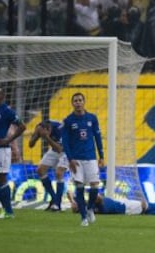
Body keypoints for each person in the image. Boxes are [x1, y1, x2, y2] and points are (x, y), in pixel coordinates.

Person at [61, 92, 104, 227]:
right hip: (76, 160)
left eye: (80, 100)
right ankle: (83, 217)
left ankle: (90, 208)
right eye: (75, 101)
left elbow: (97, 137)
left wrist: (101, 155)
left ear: (84, 102)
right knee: (79, 187)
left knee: (95, 185)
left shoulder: (92, 118)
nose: (78, 103)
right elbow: (66, 143)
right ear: (72, 103)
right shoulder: (68, 121)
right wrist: (70, 159)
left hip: (91, 158)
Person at [0, 87, 26, 219]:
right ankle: (5, 207)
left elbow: (22, 126)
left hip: (2, 149)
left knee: (1, 178)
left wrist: (8, 139)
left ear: (2, 97)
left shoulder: (7, 111)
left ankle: (8, 211)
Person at [29, 120, 67, 211]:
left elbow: (59, 149)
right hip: (54, 149)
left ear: (49, 129)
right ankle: (54, 199)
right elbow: (30, 144)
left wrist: (46, 137)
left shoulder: (59, 129)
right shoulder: (40, 127)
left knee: (59, 173)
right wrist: (36, 135)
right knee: (40, 170)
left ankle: (57, 204)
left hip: (67, 150)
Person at [67, 191, 155, 215]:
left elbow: (69, 193)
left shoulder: (86, 204)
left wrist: (72, 201)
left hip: (121, 203)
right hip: (125, 208)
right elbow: (99, 198)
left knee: (144, 207)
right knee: (144, 206)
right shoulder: (98, 208)